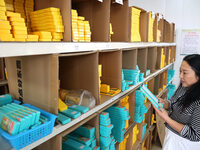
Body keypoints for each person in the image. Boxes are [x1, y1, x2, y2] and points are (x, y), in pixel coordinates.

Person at [154, 54, 200, 150]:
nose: (180, 76)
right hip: (171, 136)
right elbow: (174, 103)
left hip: (184, 144)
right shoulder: (185, 86)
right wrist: (166, 104)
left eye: (185, 73)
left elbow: (195, 135)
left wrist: (166, 118)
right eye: (180, 71)